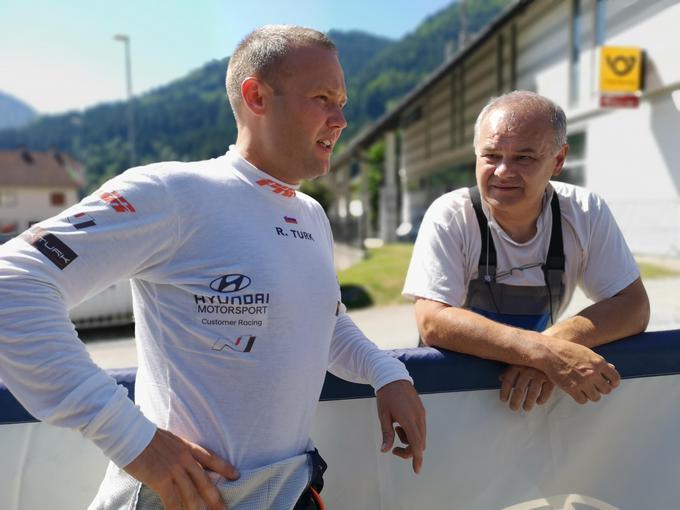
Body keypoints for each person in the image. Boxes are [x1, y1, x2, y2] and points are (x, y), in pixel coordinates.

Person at [0, 25, 426, 510]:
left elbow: (322, 322)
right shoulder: (176, 193)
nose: (340, 119)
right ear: (257, 96)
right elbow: (10, 283)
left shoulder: (310, 215)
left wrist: (386, 372)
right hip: (186, 498)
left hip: (289, 492)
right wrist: (133, 441)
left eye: (342, 102)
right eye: (323, 98)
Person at [403, 90, 649, 413]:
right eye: (491, 155)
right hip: (450, 401)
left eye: (523, 158)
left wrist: (554, 345)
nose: (503, 171)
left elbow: (634, 306)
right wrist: (544, 353)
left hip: (527, 402)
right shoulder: (450, 214)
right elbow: (433, 321)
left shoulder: (585, 212)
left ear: (558, 160)